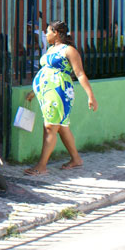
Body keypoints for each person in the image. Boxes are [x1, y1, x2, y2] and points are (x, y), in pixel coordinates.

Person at [24, 20, 98, 175]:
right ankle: (76, 159)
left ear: (56, 32)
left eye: (48, 31)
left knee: (50, 126)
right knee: (62, 128)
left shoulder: (69, 50)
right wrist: (34, 91)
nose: (45, 34)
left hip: (59, 92)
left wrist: (90, 96)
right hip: (48, 93)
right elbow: (45, 71)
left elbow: (80, 74)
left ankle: (42, 166)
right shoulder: (51, 49)